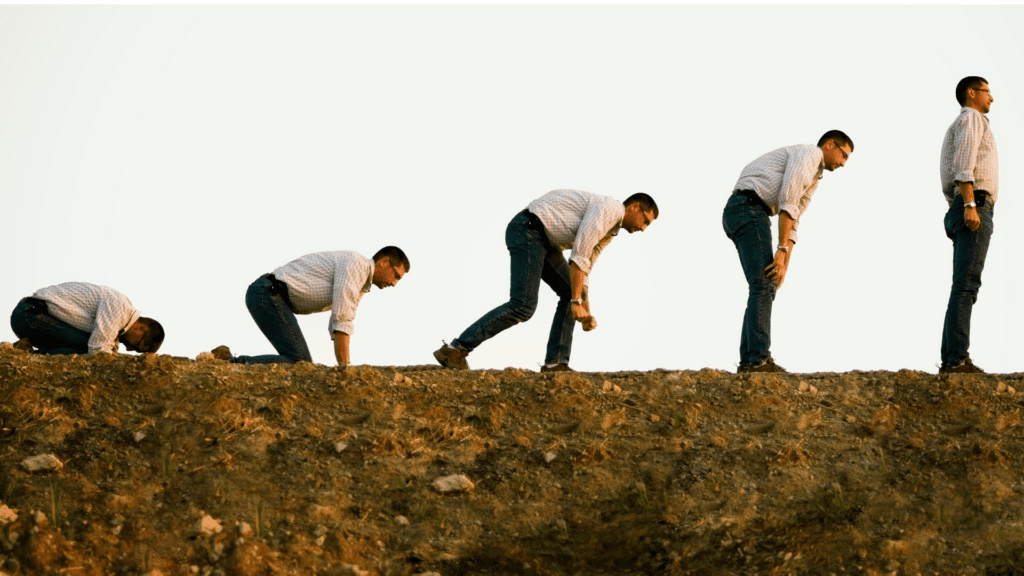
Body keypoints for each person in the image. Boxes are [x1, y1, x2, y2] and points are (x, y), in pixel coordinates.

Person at [433, 189, 658, 372]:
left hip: (545, 240)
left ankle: (555, 363)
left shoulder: (612, 229)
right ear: (635, 207)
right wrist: (576, 302)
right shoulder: (610, 209)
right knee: (523, 305)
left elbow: (586, 264)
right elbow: (580, 254)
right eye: (645, 220)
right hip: (529, 229)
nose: (643, 228)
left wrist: (584, 306)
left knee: (571, 291)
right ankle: (456, 349)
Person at [723, 130, 854, 373]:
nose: (843, 163)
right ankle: (758, 360)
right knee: (763, 285)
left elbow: (795, 217)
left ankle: (748, 362)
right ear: (829, 144)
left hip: (748, 211)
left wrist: (784, 262)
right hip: (747, 207)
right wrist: (781, 250)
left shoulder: (815, 177)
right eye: (843, 155)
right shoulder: (809, 154)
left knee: (764, 284)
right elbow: (788, 199)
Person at [215, 247, 409, 367]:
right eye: (396, 275)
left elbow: (340, 320)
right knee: (298, 362)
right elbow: (342, 318)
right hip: (268, 293)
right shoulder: (359, 265)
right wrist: (344, 369)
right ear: (384, 262)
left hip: (270, 294)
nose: (394, 283)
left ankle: (224, 359)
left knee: (298, 361)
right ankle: (226, 364)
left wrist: (343, 364)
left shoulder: (361, 284)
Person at [938, 76, 998, 374]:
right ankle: (956, 359)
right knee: (966, 286)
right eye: (988, 91)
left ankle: (951, 357)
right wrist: (971, 204)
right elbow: (964, 162)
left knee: (961, 285)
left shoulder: (964, 122)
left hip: (961, 207)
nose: (992, 98)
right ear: (972, 93)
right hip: (973, 205)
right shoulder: (973, 119)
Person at [10, 281, 164, 355]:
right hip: (29, 315)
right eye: (137, 346)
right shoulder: (120, 307)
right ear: (141, 328)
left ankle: (28, 352)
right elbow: (98, 349)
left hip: (37, 320)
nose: (130, 348)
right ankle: (28, 357)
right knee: (89, 346)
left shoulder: (117, 327)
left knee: (90, 345)